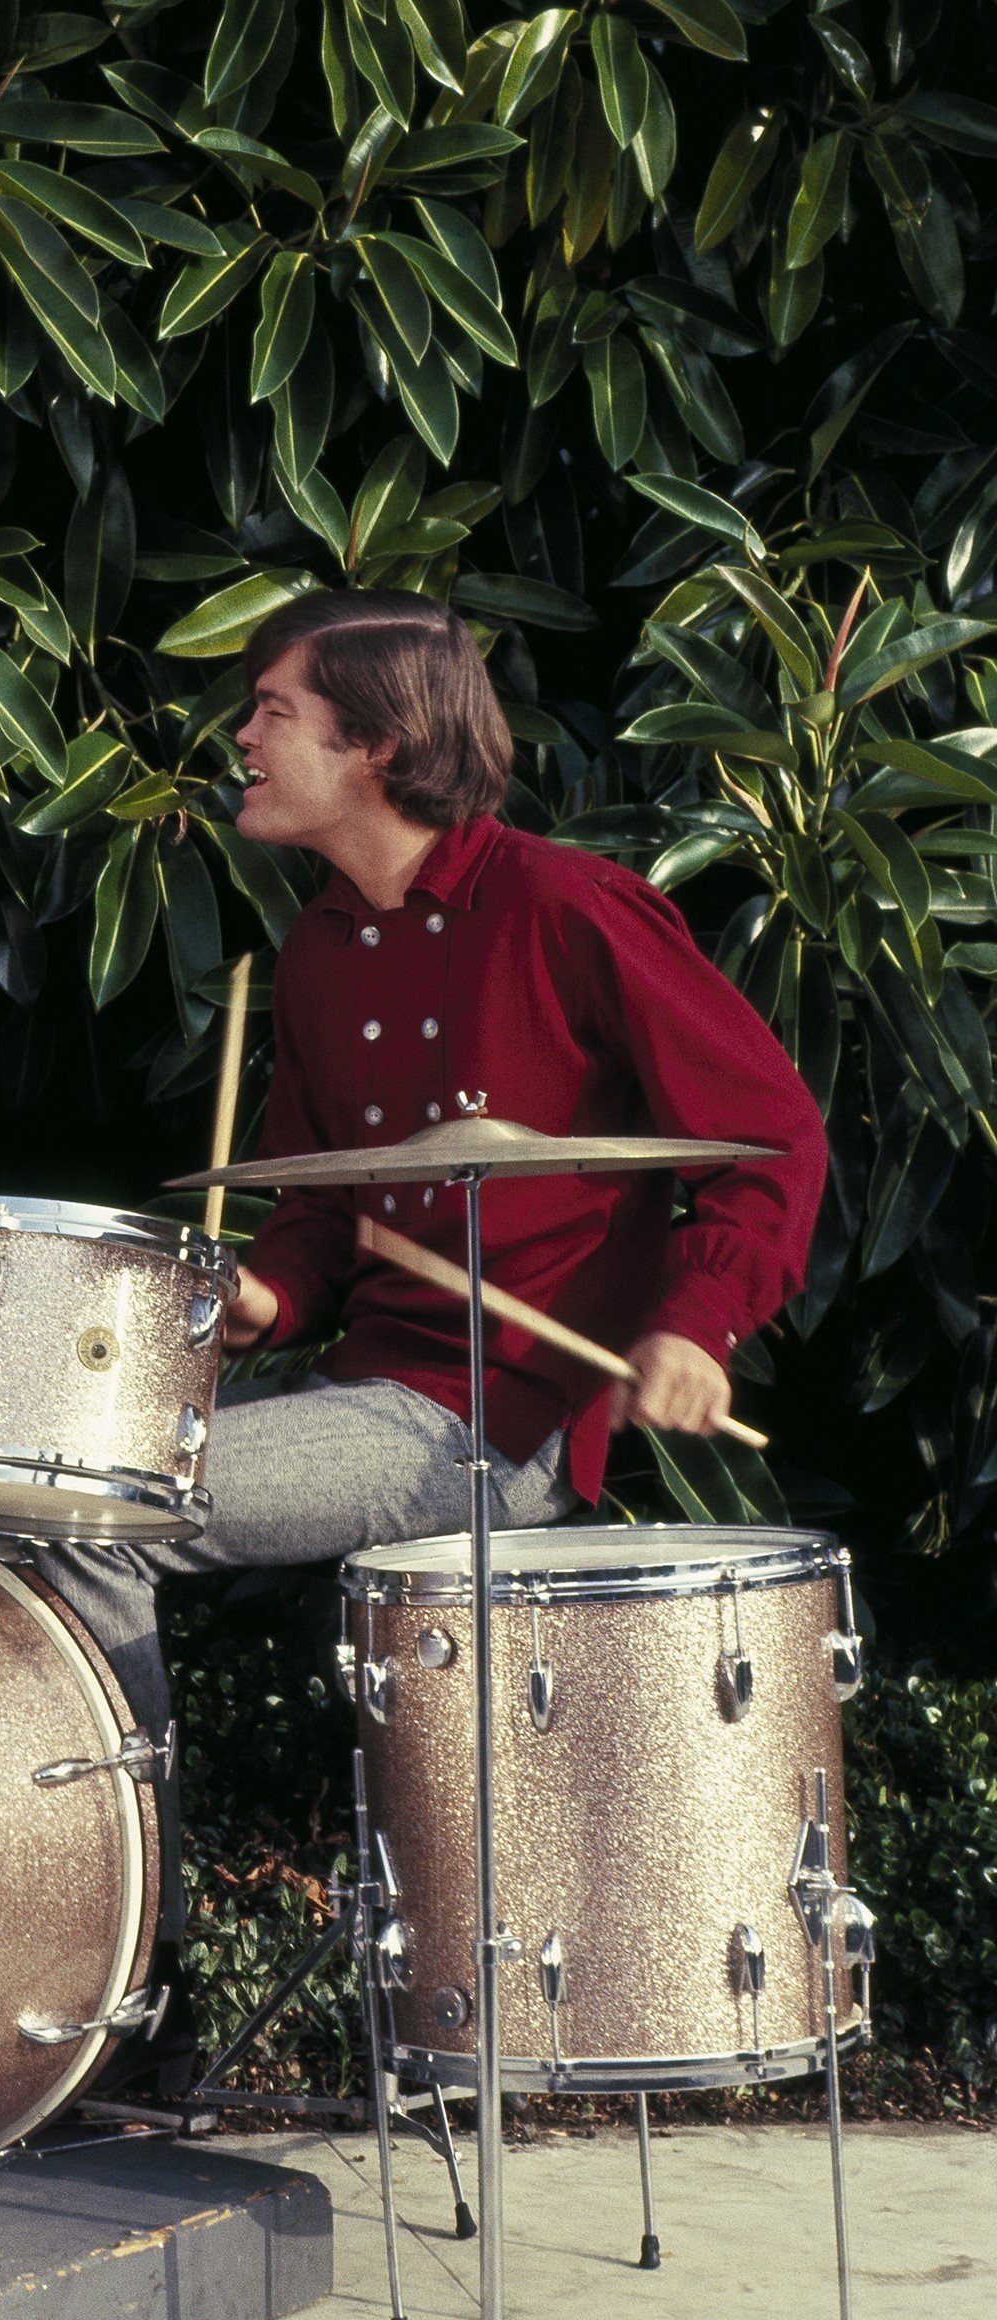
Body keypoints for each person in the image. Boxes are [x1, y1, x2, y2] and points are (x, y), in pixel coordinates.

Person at [43, 590, 828, 2094]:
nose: (245, 734)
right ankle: (65, 1952)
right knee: (41, 1484)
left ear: (380, 743)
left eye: (276, 708)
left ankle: (124, 1976)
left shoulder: (569, 908)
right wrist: (256, 1297)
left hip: (496, 1425)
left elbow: (771, 1135)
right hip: (371, 1396)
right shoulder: (323, 948)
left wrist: (698, 1322)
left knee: (103, 1509)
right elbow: (316, 1224)